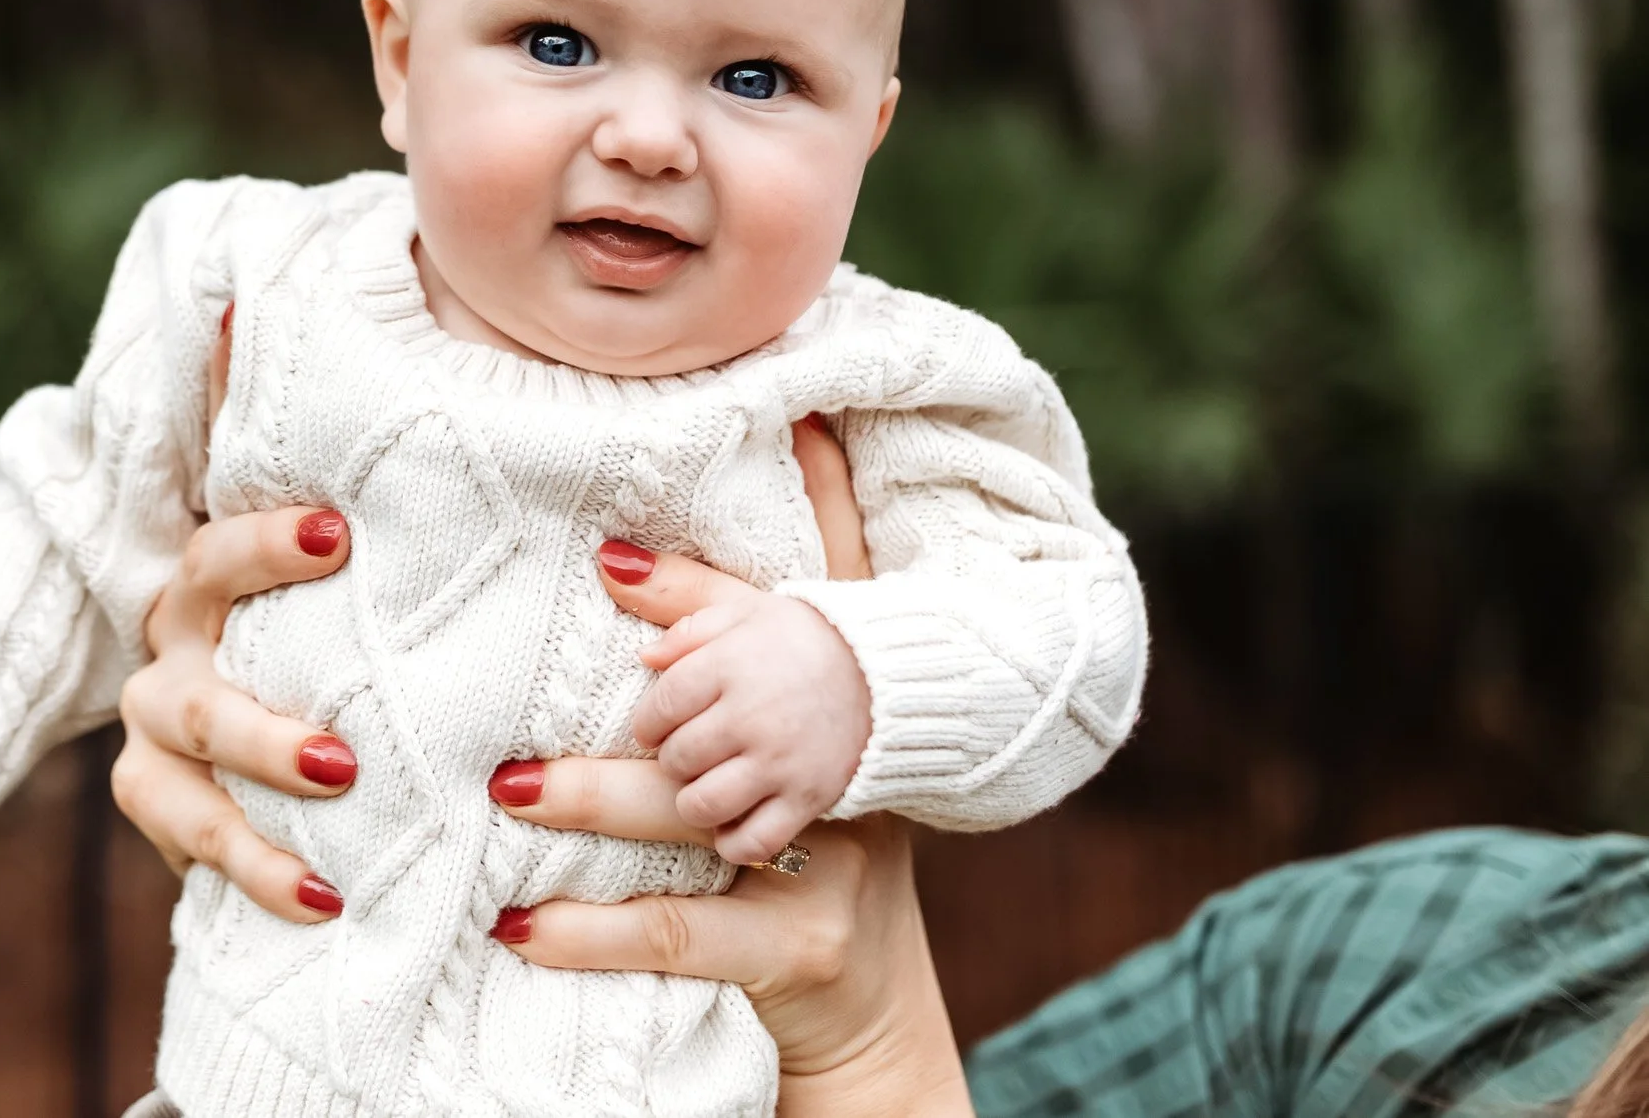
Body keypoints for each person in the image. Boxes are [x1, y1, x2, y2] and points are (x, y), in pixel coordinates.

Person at [0, 0, 1148, 1117]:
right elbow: (65, 515)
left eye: (754, 79)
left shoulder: (872, 384)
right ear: (401, 60)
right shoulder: (254, 285)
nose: (652, 136)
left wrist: (857, 676)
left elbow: (1076, 633)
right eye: (560, 44)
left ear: (869, 129)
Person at [113, 438, 1649, 1118]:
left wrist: (876, 1060)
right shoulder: (1396, 964)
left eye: (757, 77)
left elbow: (1079, 639)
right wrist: (367, 825)